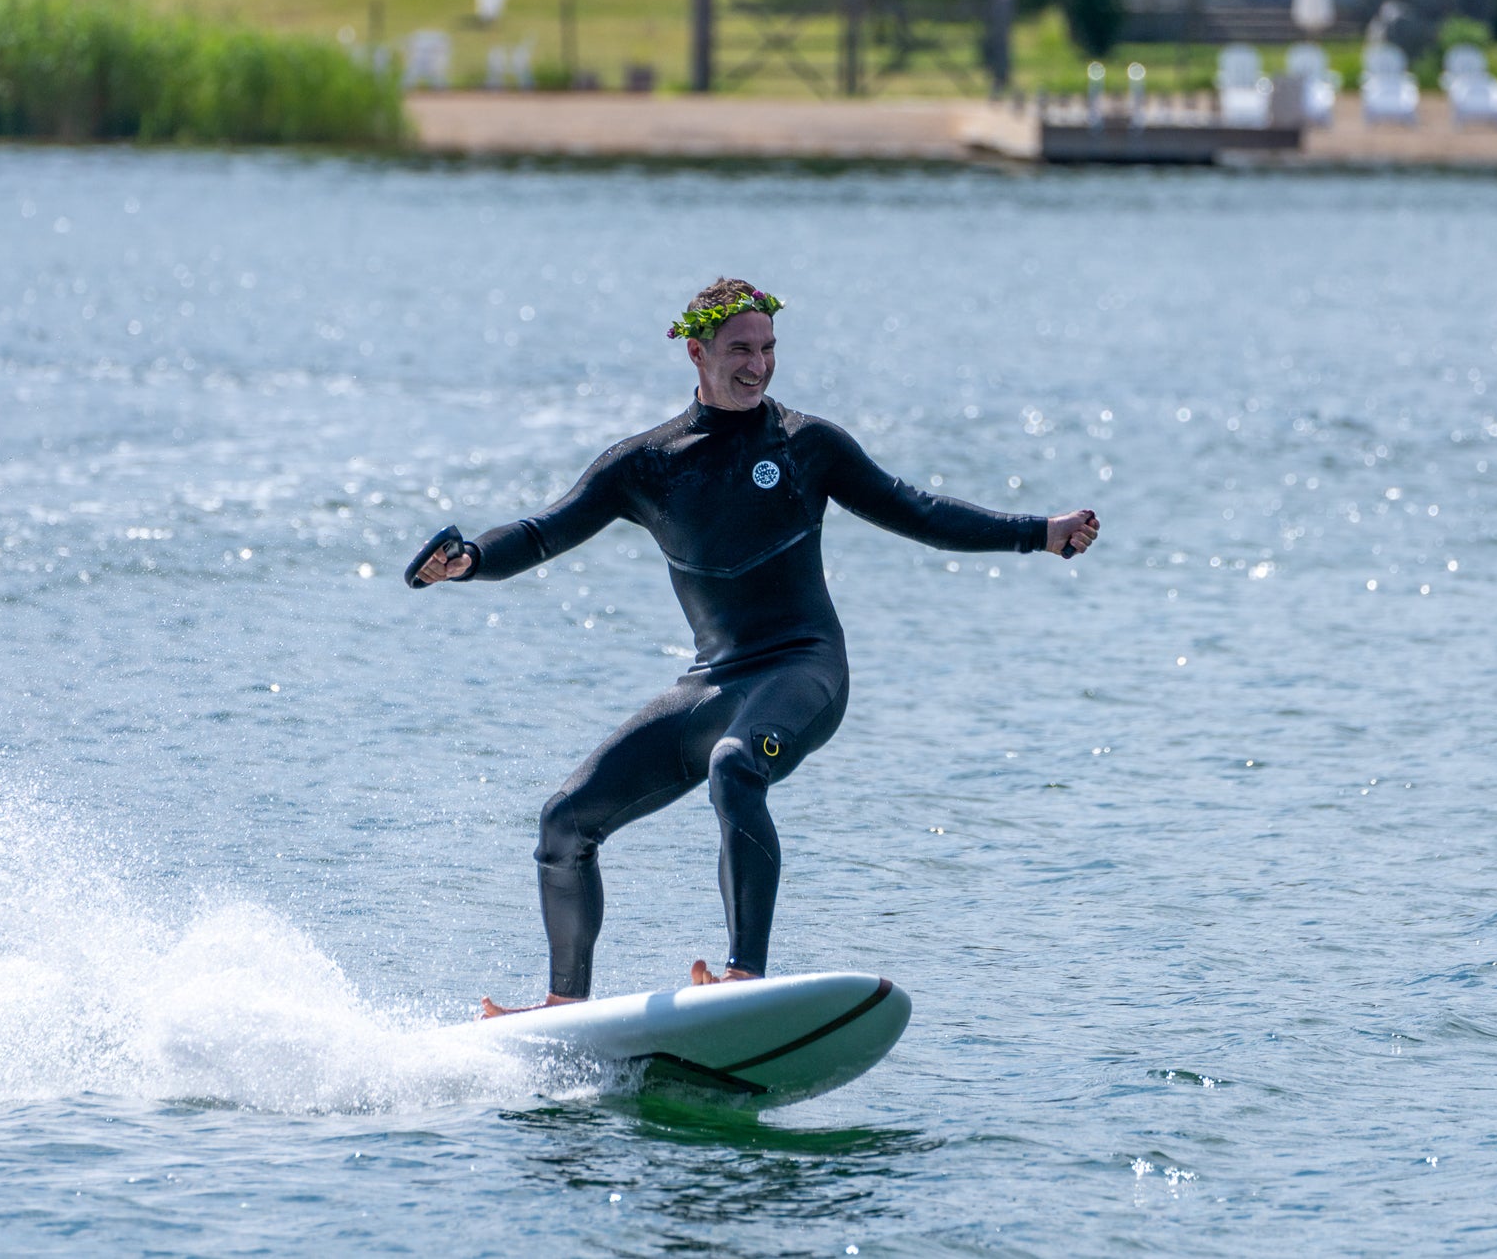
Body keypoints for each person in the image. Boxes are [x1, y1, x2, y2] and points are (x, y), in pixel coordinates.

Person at [412, 278, 1100, 1016]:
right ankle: (563, 1009)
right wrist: (472, 561)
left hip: (804, 667)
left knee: (735, 767)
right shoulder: (645, 463)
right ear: (696, 351)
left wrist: (1040, 532)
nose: (759, 365)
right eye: (741, 349)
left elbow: (919, 512)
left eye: (769, 348)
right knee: (564, 822)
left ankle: (744, 978)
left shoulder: (808, 445)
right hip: (711, 683)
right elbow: (545, 531)